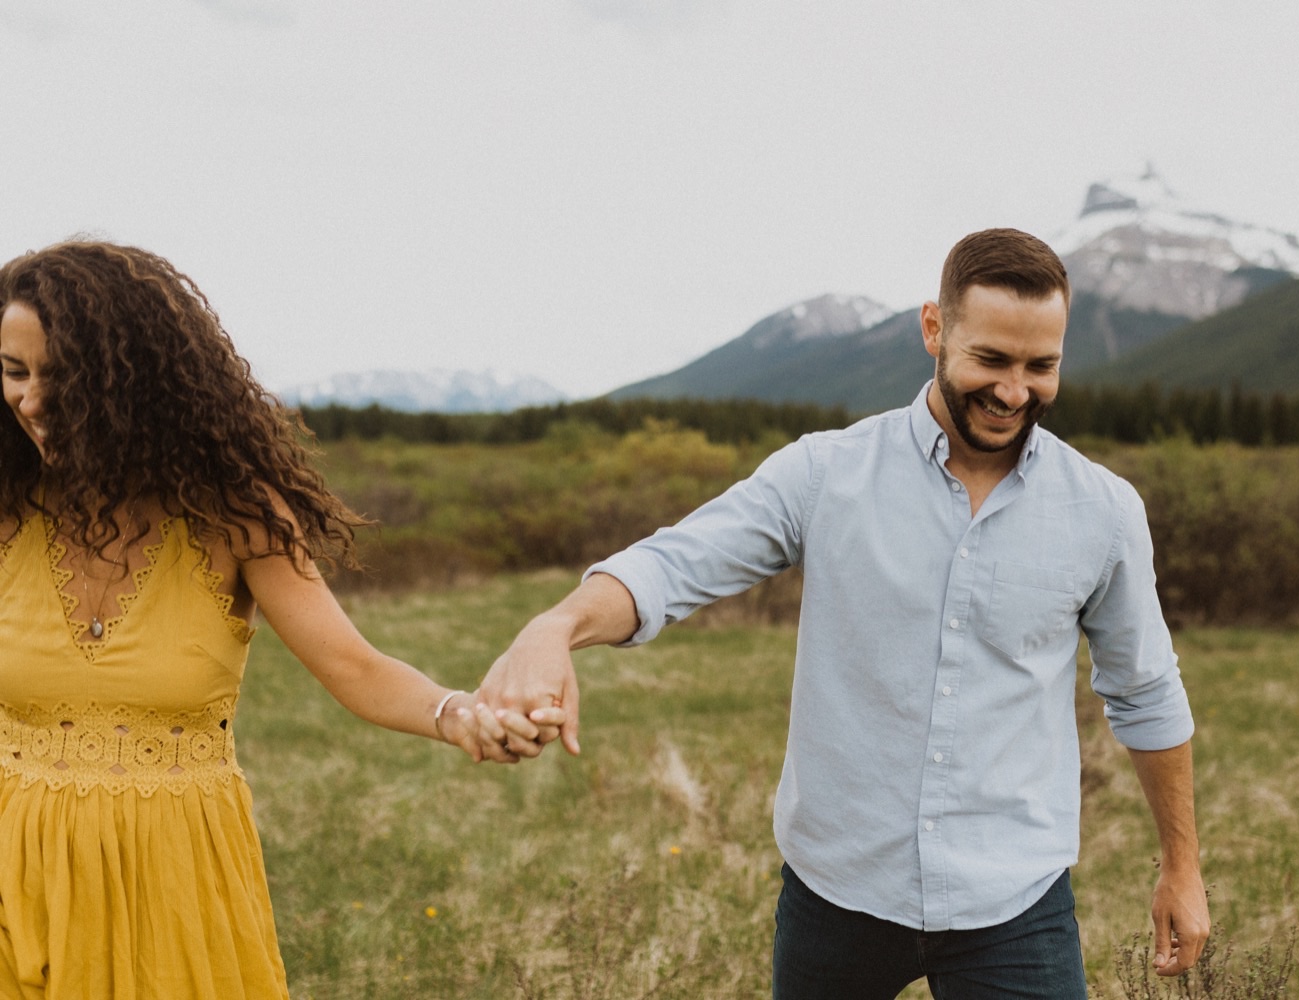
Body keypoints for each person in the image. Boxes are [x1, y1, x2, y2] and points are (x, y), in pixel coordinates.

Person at [478, 228, 1210, 998]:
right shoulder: (825, 473)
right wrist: (556, 625)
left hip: (1015, 905)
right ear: (934, 328)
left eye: (1042, 366)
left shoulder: (1102, 511)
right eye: (991, 360)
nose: (1014, 392)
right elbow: (673, 565)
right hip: (836, 899)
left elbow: (1146, 691)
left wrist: (1182, 868)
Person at [0, 240, 551, 999]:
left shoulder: (236, 516)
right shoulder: (6, 511)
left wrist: (457, 713)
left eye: (60, 377)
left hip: (180, 882)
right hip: (17, 875)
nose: (30, 400)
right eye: (14, 371)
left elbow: (353, 667)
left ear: (129, 383)